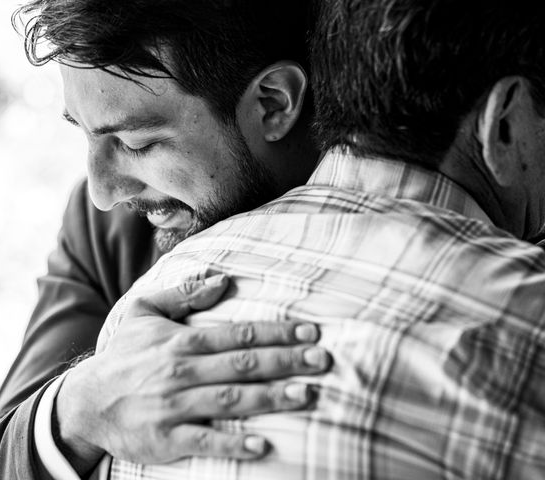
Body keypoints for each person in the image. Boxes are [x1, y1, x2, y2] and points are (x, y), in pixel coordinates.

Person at [93, 0, 545, 478]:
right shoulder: (527, 318)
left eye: (139, 142)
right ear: (504, 124)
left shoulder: (142, 319)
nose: (102, 193)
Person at [0, 1, 332, 479]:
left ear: (273, 103)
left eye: (138, 144)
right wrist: (79, 408)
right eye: (85, 133)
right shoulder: (107, 232)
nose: (103, 192)